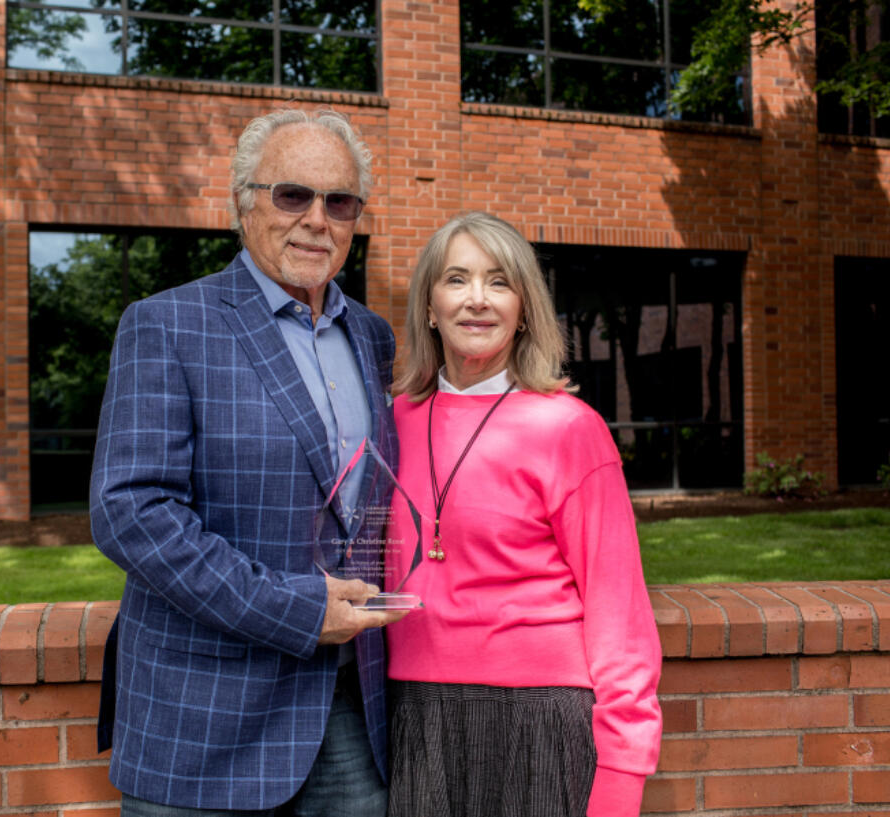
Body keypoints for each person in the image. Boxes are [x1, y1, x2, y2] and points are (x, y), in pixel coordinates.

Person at [90, 108, 407, 817]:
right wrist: (294, 607)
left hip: (348, 718)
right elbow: (131, 513)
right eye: (292, 195)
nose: (317, 219)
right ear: (244, 203)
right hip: (203, 725)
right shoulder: (166, 323)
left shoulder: (374, 338)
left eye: (340, 201)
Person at [383, 212, 662, 817]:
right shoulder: (393, 422)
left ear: (525, 309)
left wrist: (622, 772)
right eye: (456, 280)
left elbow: (621, 613)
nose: (477, 300)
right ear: (429, 307)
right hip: (416, 714)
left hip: (543, 716)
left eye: (500, 282)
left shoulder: (567, 427)